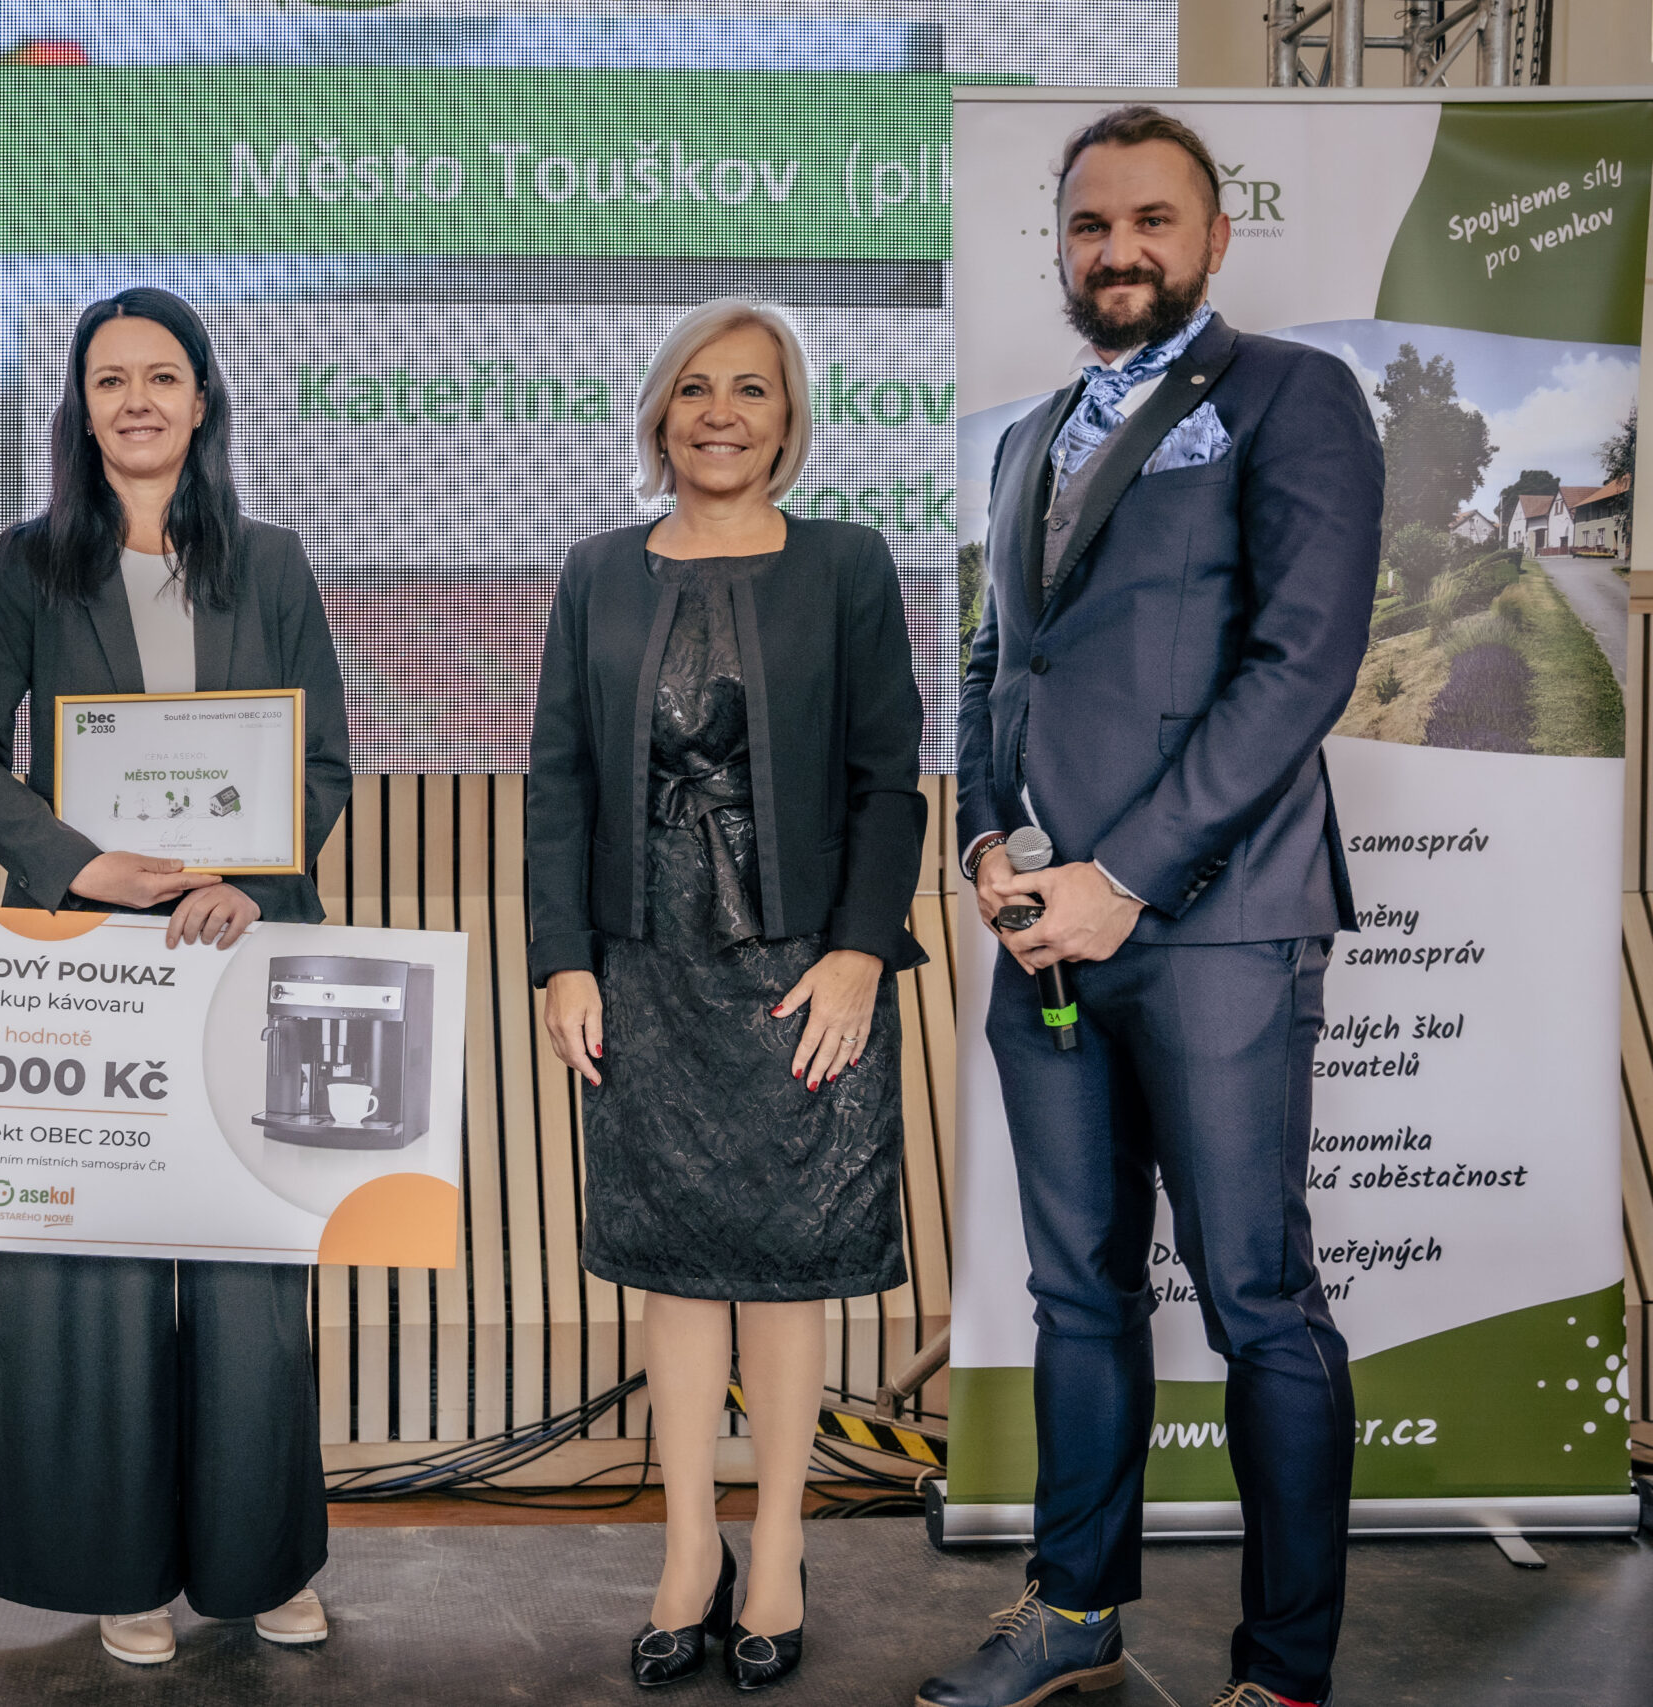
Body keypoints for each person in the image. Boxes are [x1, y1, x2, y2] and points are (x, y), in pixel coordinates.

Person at [929, 106, 1381, 1707]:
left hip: (1219, 925)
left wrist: (1125, 878)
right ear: (1060, 246)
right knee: (1076, 1291)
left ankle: (1285, 1672)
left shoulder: (1294, 397)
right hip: (1042, 932)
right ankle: (1074, 1611)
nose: (1116, 248)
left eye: (1150, 220)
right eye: (1089, 224)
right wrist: (984, 844)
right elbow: (997, 662)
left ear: (1213, 238)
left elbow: (1302, 664)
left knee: (1259, 1300)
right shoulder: (1028, 434)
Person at [0, 286, 351, 1666]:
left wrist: (254, 881)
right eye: (109, 380)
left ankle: (259, 1564)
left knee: (248, 1288)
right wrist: (78, 864)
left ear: (203, 398)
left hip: (241, 952)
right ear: (81, 406)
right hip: (88, 967)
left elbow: (323, 763)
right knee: (95, 1286)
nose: (137, 401)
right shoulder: (31, 563)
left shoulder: (274, 562)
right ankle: (122, 1572)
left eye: (161, 376)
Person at [527, 298, 927, 1692]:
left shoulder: (849, 563)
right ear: (659, 413)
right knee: (677, 1262)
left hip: (805, 966)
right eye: (695, 388)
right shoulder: (595, 571)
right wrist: (563, 959)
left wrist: (860, 952)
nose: (720, 414)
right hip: (645, 962)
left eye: (751, 389)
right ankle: (690, 1549)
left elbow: (888, 778)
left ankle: (778, 1549)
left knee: (789, 1262)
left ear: (788, 416)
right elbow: (560, 783)